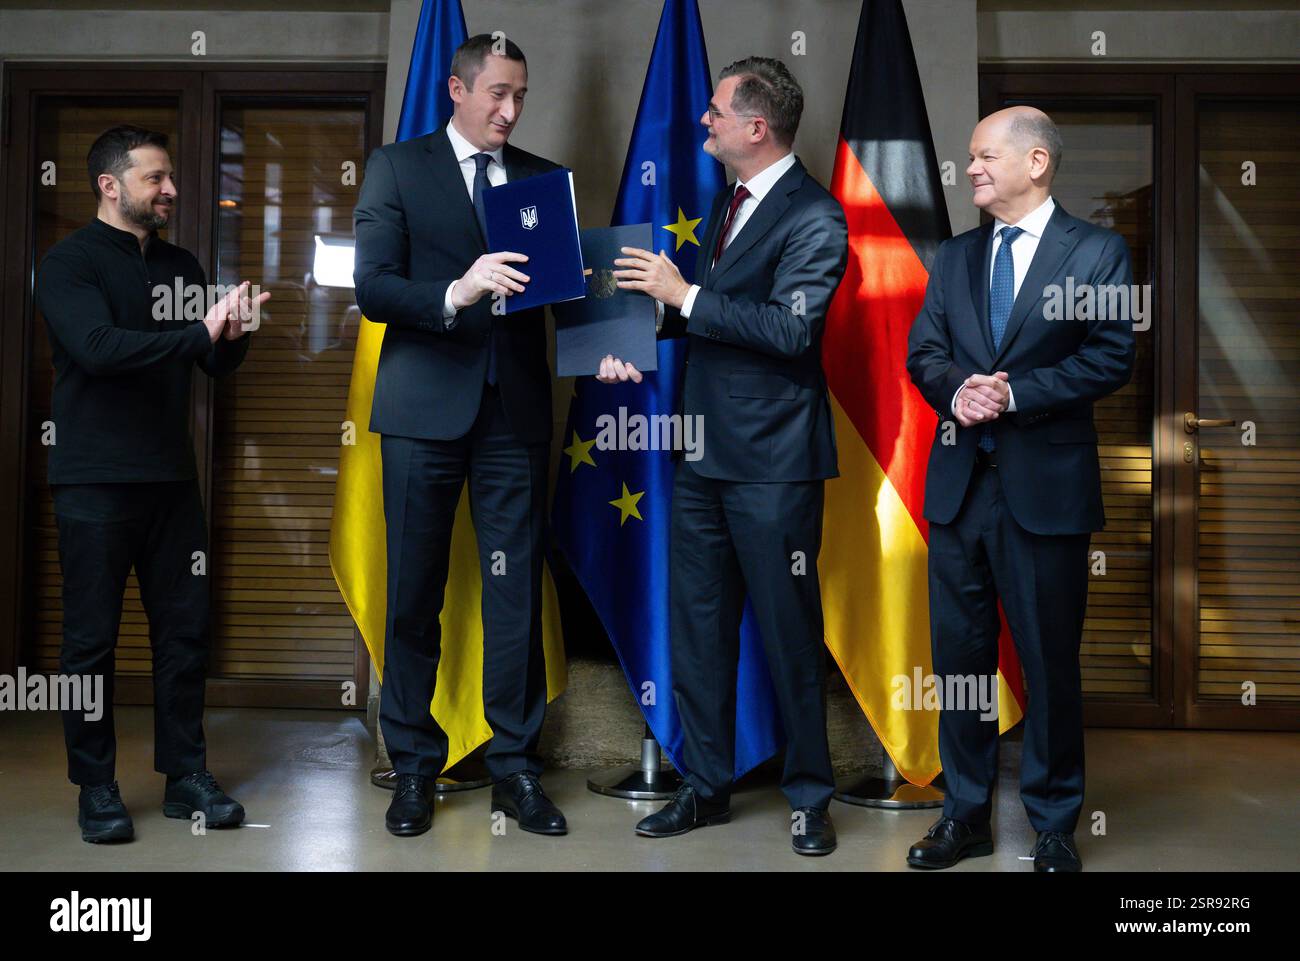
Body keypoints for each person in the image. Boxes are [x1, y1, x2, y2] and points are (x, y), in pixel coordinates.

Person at [601, 57, 848, 856]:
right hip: (701, 457)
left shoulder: (817, 216)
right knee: (699, 632)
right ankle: (706, 788)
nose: (704, 120)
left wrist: (685, 295)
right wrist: (636, 334)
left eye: (716, 111)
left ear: (756, 126)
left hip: (774, 466)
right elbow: (710, 317)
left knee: (788, 636)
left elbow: (790, 330)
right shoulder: (727, 202)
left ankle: (809, 799)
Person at [905, 106, 1135, 872]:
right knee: (961, 665)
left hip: (1047, 493)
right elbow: (924, 353)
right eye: (970, 157)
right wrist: (957, 390)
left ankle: (1055, 824)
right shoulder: (955, 255)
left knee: (1049, 664)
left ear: (1036, 162)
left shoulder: (1097, 251)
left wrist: (1015, 393)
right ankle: (964, 816)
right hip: (958, 491)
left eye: (983, 156)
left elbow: (1111, 357)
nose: (969, 168)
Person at [352, 34, 566, 838]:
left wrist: (614, 344)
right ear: (457, 89)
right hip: (422, 413)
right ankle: (414, 765)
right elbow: (374, 287)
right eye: (497, 94)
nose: (510, 110)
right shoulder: (396, 168)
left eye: (520, 96)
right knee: (413, 591)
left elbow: (567, 292)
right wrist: (456, 290)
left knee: (516, 597)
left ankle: (515, 768)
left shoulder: (542, 177)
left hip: (515, 415)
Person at [35, 124, 266, 843]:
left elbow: (209, 362)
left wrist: (235, 334)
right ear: (110, 186)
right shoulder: (67, 263)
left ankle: (185, 776)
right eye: (154, 178)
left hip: (171, 483)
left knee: (184, 635)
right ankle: (96, 786)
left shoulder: (180, 265)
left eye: (169, 178)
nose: (170, 189)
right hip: (94, 483)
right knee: (89, 645)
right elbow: (99, 350)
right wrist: (201, 332)